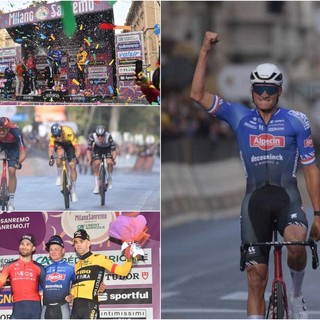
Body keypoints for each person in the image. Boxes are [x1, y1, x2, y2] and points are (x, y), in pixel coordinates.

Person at [190, 31, 320, 319]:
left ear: (279, 92)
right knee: (255, 279)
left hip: (287, 197)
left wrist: (319, 214)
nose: (264, 94)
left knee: (297, 244)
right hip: (254, 202)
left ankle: (297, 297)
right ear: (251, 91)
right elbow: (197, 95)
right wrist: (204, 51)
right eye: (259, 89)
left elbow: (311, 169)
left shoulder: (296, 120)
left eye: (270, 89)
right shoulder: (239, 116)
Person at [70, 229, 133, 319]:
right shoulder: (76, 265)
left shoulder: (99, 258)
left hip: (90, 305)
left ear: (89, 243)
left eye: (81, 241)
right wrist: (70, 295)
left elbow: (123, 271)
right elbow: (77, 287)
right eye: (76, 242)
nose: (78, 244)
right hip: (75, 308)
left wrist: (129, 258)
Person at [0, 234, 46, 319]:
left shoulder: (39, 268)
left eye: (28, 244)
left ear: (33, 248)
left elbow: (47, 289)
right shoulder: (9, 265)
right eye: (22, 244)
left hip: (35, 308)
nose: (24, 246)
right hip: (18, 308)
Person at [41, 235, 76, 319]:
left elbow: (79, 286)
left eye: (56, 249)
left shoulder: (71, 268)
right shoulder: (44, 269)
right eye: (51, 250)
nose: (53, 252)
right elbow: (37, 289)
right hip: (46, 309)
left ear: (63, 251)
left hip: (62, 308)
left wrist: (72, 295)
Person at [48, 123, 80, 203]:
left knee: (72, 166)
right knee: (60, 154)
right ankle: (59, 175)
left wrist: (76, 158)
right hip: (59, 146)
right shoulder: (53, 136)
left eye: (59, 135)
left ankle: (73, 190)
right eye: (55, 136)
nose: (58, 137)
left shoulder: (69, 132)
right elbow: (51, 149)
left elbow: (77, 148)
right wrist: (51, 157)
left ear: (62, 132)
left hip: (69, 145)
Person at [0, 117, 27, 212]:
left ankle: (11, 201)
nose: (2, 132)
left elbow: (23, 152)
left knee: (12, 171)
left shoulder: (16, 131)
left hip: (13, 146)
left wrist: (18, 162)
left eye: (4, 130)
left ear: (8, 128)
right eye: (0, 130)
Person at [86, 125, 117, 192]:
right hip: (98, 149)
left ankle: (109, 178)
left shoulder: (108, 136)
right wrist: (89, 160)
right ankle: (97, 185)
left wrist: (113, 160)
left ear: (104, 134)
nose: (100, 137)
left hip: (107, 149)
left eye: (102, 136)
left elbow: (114, 150)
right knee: (97, 163)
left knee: (109, 162)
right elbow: (88, 150)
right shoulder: (93, 136)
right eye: (98, 135)